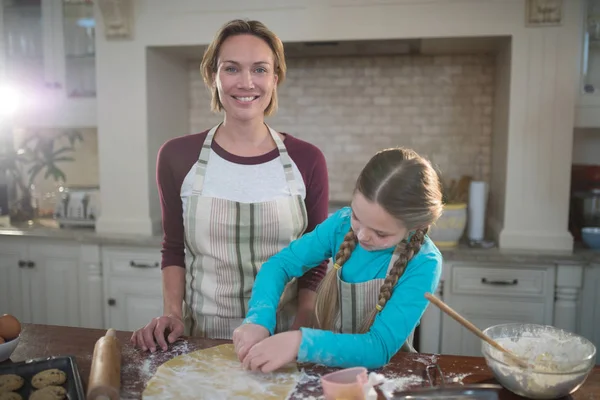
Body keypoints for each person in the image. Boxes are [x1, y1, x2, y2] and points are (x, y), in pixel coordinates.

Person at [131, 19, 329, 352]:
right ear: (212, 76)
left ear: (275, 78)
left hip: (281, 342)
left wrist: (306, 315)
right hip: (201, 339)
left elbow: (318, 255)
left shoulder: (307, 159)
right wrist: (172, 313)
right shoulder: (177, 156)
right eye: (232, 68)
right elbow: (174, 247)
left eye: (260, 70)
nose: (246, 82)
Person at [232, 147, 444, 371]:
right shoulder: (340, 225)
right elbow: (279, 265)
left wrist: (300, 342)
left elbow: (378, 347)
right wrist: (258, 319)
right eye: (356, 216)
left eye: (381, 233)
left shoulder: (424, 263)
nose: (362, 235)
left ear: (415, 226)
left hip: (384, 379)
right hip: (325, 368)